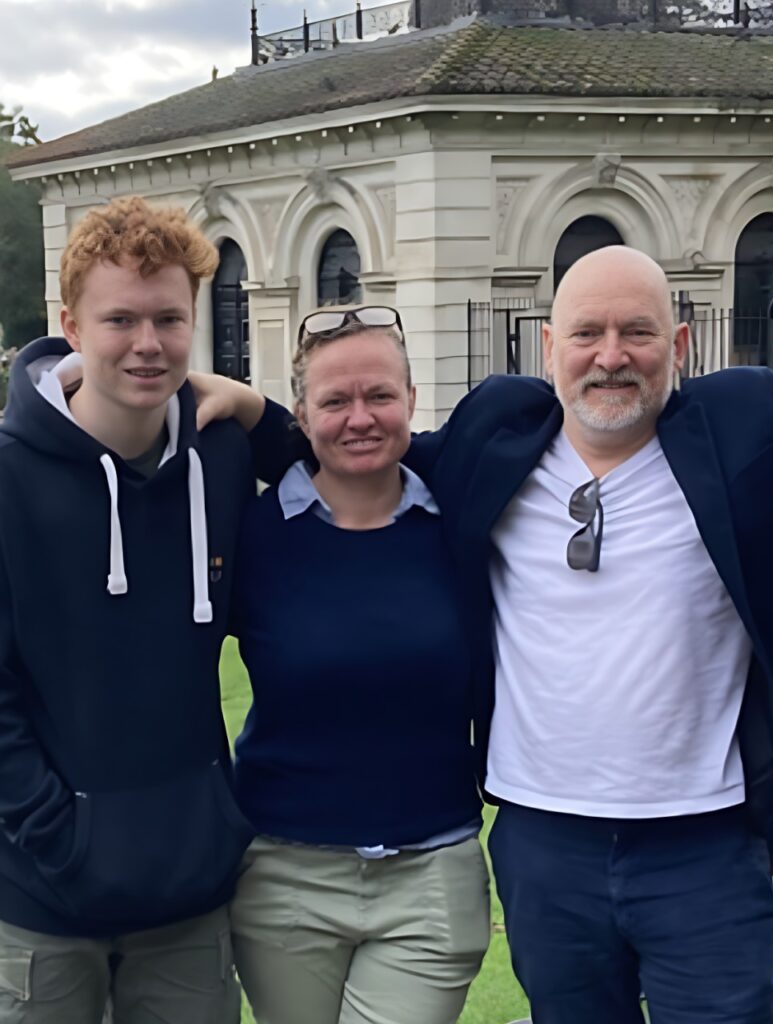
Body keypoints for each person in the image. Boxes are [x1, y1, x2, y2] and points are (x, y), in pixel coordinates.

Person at [194, 245, 773, 1024]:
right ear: (551, 345)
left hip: (708, 841)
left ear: (683, 344)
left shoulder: (747, 432)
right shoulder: (497, 439)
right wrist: (258, 414)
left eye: (638, 332)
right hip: (541, 842)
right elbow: (366, 444)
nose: (611, 355)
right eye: (587, 333)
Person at [0, 196, 290, 1024]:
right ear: (69, 324)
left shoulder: (221, 457)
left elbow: (336, 456)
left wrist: (252, 406)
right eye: (119, 319)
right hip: (40, 898)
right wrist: (58, 837)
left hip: (190, 899)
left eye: (169, 318)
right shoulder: (10, 475)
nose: (147, 343)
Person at [227, 306, 489, 1024]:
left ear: (411, 400)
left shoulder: (466, 523)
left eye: (379, 395)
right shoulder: (251, 536)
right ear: (302, 418)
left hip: (431, 874)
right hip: (284, 873)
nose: (360, 418)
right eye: (335, 401)